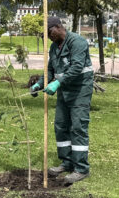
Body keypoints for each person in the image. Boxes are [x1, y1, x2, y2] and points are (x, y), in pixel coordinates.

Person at [29, 15, 94, 184]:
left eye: (49, 33)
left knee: (78, 127)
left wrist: (57, 82)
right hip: (64, 91)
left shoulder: (77, 42)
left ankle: (81, 168)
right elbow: (50, 69)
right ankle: (67, 162)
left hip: (80, 90)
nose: (48, 37)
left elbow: (77, 67)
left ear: (58, 27)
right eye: (45, 36)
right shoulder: (54, 47)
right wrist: (40, 84)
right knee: (60, 126)